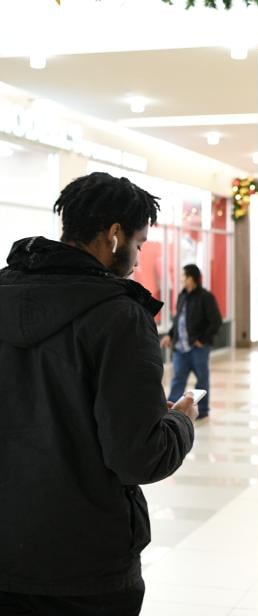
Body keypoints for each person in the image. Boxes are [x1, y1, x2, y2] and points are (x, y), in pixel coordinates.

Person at [0, 172, 198, 616]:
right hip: (86, 565)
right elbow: (138, 456)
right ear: (113, 236)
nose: (136, 260)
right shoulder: (119, 317)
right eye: (139, 244)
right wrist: (181, 420)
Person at [161, 264, 222, 419]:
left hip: (198, 348)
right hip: (180, 349)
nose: (181, 279)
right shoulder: (182, 296)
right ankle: (172, 410)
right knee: (177, 380)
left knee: (202, 380)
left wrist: (203, 339)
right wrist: (170, 335)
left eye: (183, 276)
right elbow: (178, 320)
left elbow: (215, 321)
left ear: (191, 278)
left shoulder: (205, 297)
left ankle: (202, 410)